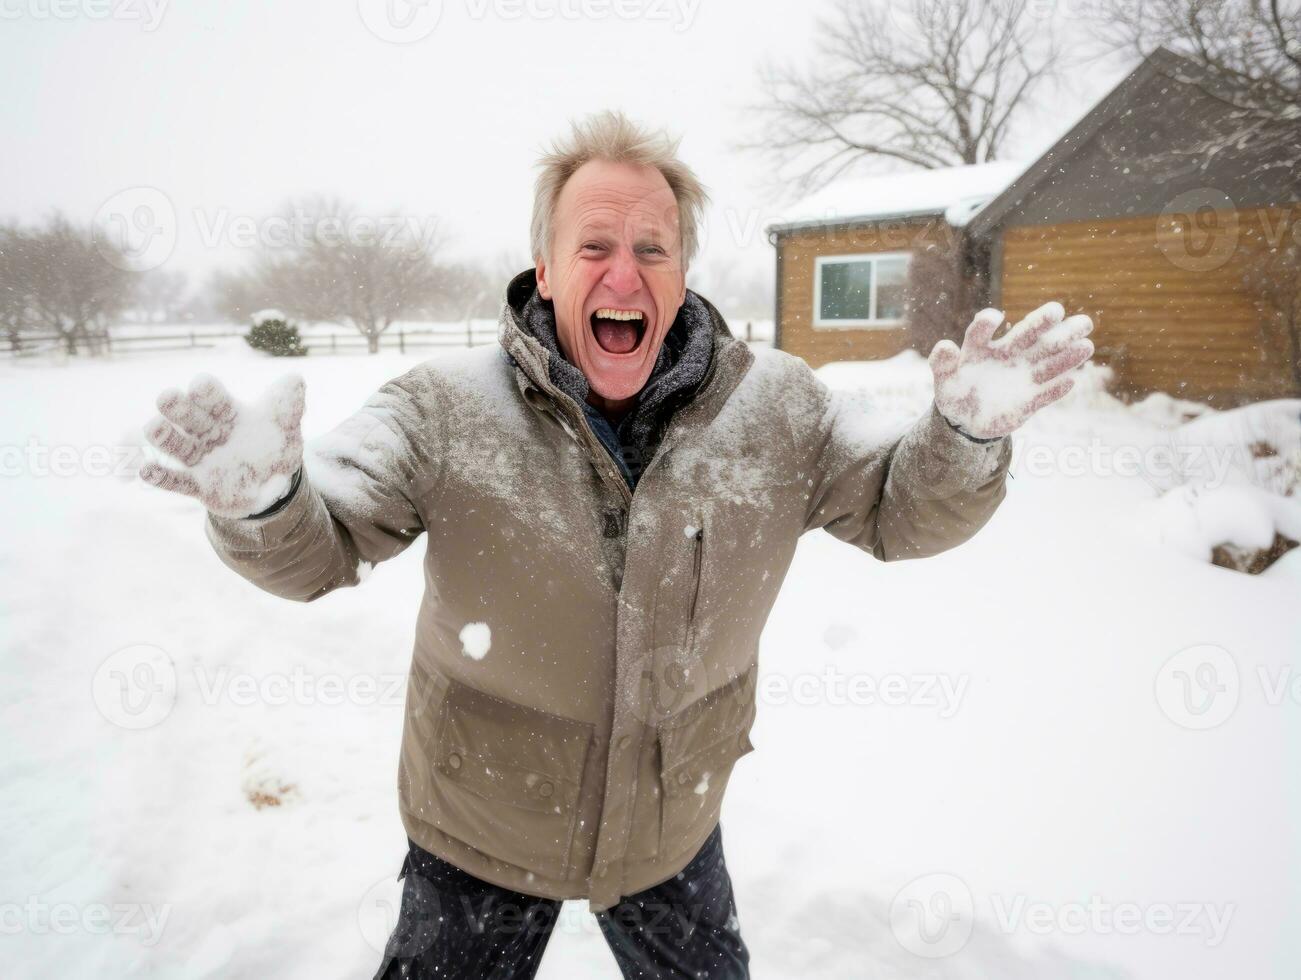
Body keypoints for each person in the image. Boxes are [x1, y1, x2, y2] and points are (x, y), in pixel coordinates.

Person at [139, 110, 1093, 979]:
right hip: (480, 822)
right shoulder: (442, 413)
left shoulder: (779, 409)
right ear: (545, 269)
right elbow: (326, 539)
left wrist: (963, 440)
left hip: (672, 819)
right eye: (593, 244)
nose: (624, 271)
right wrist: (266, 505)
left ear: (682, 271)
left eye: (653, 246)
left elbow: (899, 509)